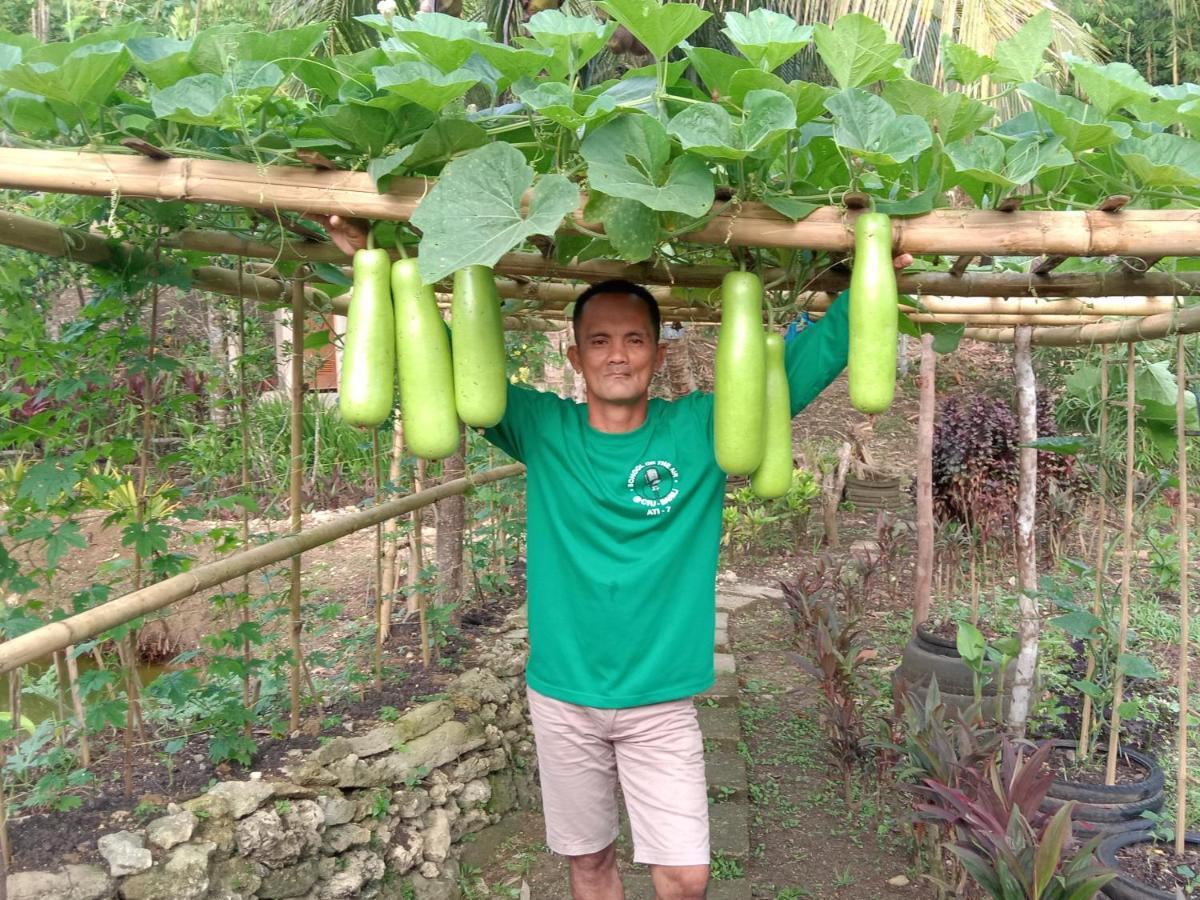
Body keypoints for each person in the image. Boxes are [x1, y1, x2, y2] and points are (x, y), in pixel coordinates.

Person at [318, 214, 910, 899]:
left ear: (658, 354)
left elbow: (805, 369)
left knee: (685, 877)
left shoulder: (706, 431)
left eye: (634, 340)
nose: (618, 355)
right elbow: (451, 361)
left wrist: (875, 265)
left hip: (662, 699)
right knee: (589, 865)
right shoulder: (540, 429)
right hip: (563, 696)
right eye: (599, 341)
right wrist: (379, 260)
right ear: (575, 357)